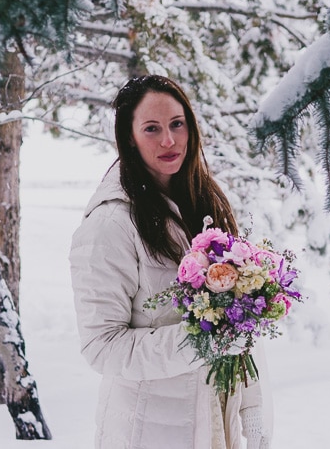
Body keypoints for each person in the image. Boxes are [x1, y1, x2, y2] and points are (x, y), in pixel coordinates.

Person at [69, 75, 272, 449]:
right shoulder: (110, 225)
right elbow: (102, 346)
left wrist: (252, 406)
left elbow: (238, 317)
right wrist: (201, 343)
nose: (169, 140)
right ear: (129, 137)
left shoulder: (204, 202)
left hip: (213, 421)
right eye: (152, 128)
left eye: (177, 124)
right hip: (148, 430)